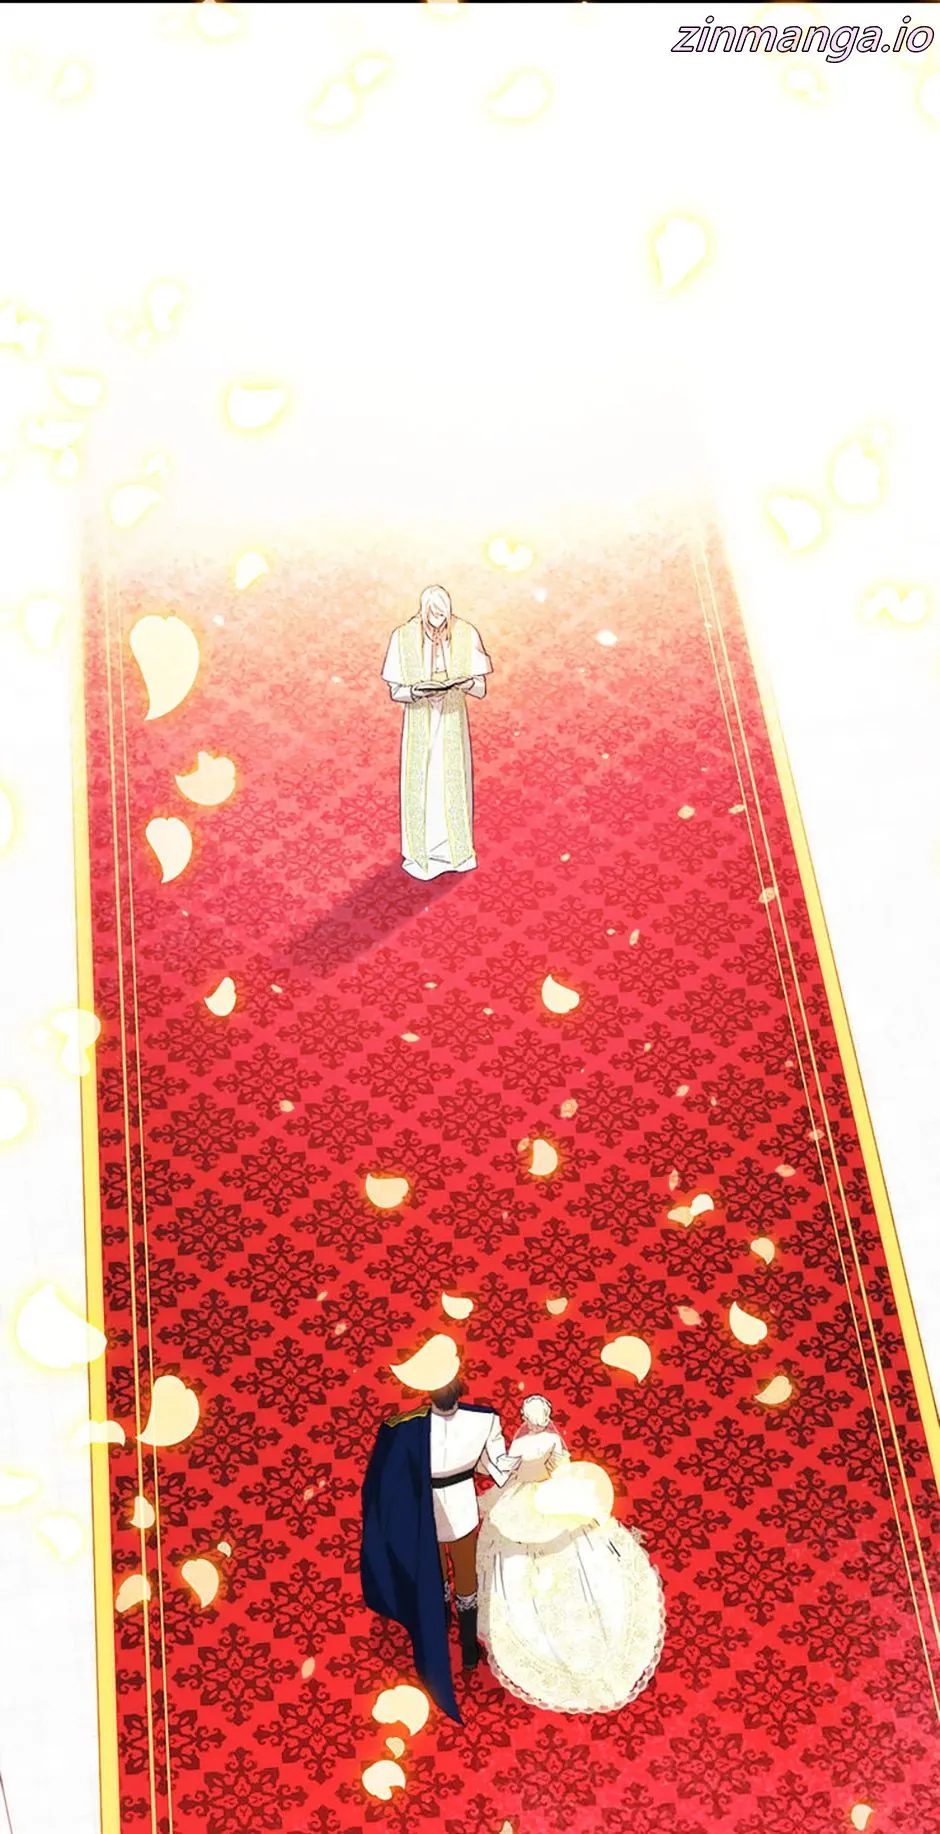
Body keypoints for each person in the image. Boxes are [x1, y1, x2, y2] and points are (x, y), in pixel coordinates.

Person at [476, 1395, 666, 1714]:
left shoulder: (530, 1441)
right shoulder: (539, 1439)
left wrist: (498, 1466)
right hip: (536, 1494)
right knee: (532, 1549)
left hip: (539, 1495)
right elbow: (550, 1465)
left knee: (558, 1548)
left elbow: (526, 1467)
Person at [360, 1376, 514, 1723]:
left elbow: (387, 1478)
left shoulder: (408, 1426)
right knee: (459, 1576)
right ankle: (465, 1644)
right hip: (445, 1509)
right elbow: (498, 1468)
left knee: (448, 1573)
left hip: (434, 1510)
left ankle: (451, 1633)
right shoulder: (482, 1419)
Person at [381, 586, 492, 880]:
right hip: (420, 720)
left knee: (452, 780)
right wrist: (416, 691)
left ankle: (457, 852)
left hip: (452, 720)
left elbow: (481, 688)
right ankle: (421, 854)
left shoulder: (465, 633)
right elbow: (395, 691)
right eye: (432, 615)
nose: (438, 621)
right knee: (423, 782)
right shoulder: (403, 636)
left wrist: (465, 683)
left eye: (443, 615)